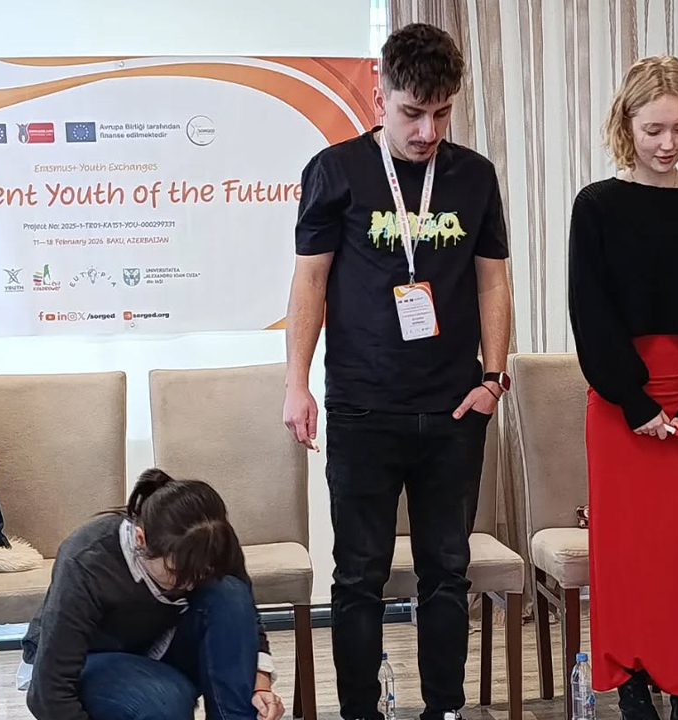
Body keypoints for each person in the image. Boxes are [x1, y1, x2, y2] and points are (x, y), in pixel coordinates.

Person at [283, 22, 512, 720]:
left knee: (447, 573)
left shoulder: (474, 176)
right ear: (380, 96)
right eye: (413, 113)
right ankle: (359, 711)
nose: (427, 131)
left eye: (442, 113)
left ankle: (445, 709)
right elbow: (310, 281)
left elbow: (493, 282)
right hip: (363, 408)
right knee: (358, 576)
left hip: (454, 409)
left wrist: (493, 379)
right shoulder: (335, 171)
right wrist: (296, 383)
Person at [568, 55, 678, 720]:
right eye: (652, 130)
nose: (667, 144)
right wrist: (636, 402)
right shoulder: (597, 205)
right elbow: (591, 314)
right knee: (629, 553)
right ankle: (634, 681)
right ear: (627, 126)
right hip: (622, 406)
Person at [20, 469, 284, 720]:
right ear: (140, 539)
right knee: (165, 700)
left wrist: (259, 685)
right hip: (86, 660)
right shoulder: (87, 561)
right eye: (177, 572)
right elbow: (49, 693)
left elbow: (244, 616)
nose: (190, 585)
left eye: (200, 574)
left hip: (160, 644)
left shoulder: (212, 539)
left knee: (229, 592)